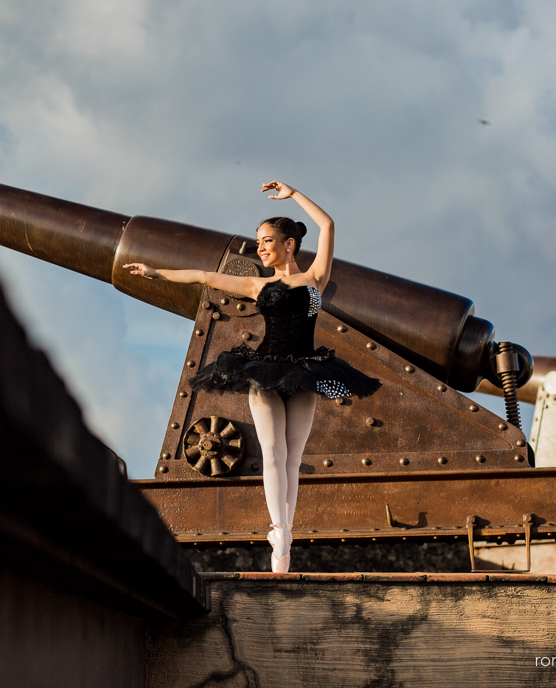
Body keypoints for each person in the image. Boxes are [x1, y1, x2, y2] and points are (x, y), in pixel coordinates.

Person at [124, 181, 380, 572]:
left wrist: (293, 195)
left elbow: (327, 225)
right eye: (259, 241)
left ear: (289, 244)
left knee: (293, 458)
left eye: (267, 240)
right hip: (263, 370)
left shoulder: (315, 278)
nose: (260, 247)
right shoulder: (257, 284)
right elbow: (202, 276)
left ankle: (286, 537)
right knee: (273, 453)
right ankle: (279, 532)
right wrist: (156, 272)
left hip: (307, 370)